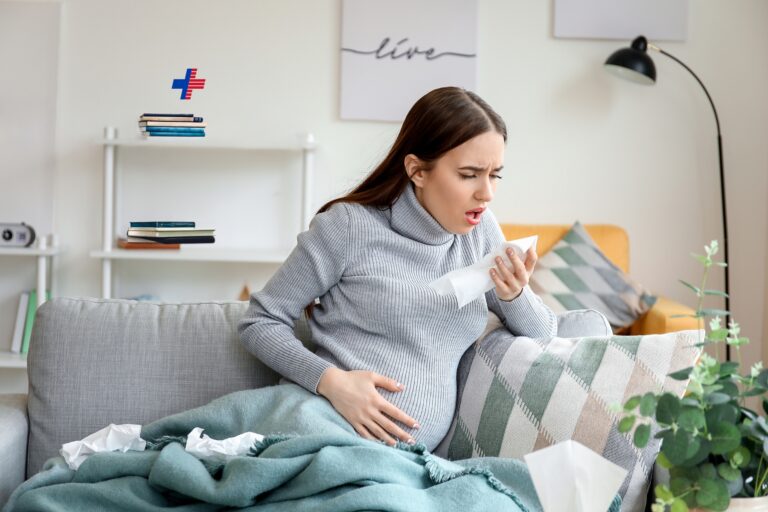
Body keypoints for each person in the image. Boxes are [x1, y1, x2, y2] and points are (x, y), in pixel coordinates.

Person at [238, 86, 557, 452]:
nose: (487, 193)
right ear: (417, 170)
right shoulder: (347, 227)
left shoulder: (480, 233)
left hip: (399, 463)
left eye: (495, 175)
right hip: (320, 426)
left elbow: (544, 334)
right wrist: (330, 382)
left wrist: (514, 293)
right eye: (469, 174)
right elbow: (259, 322)